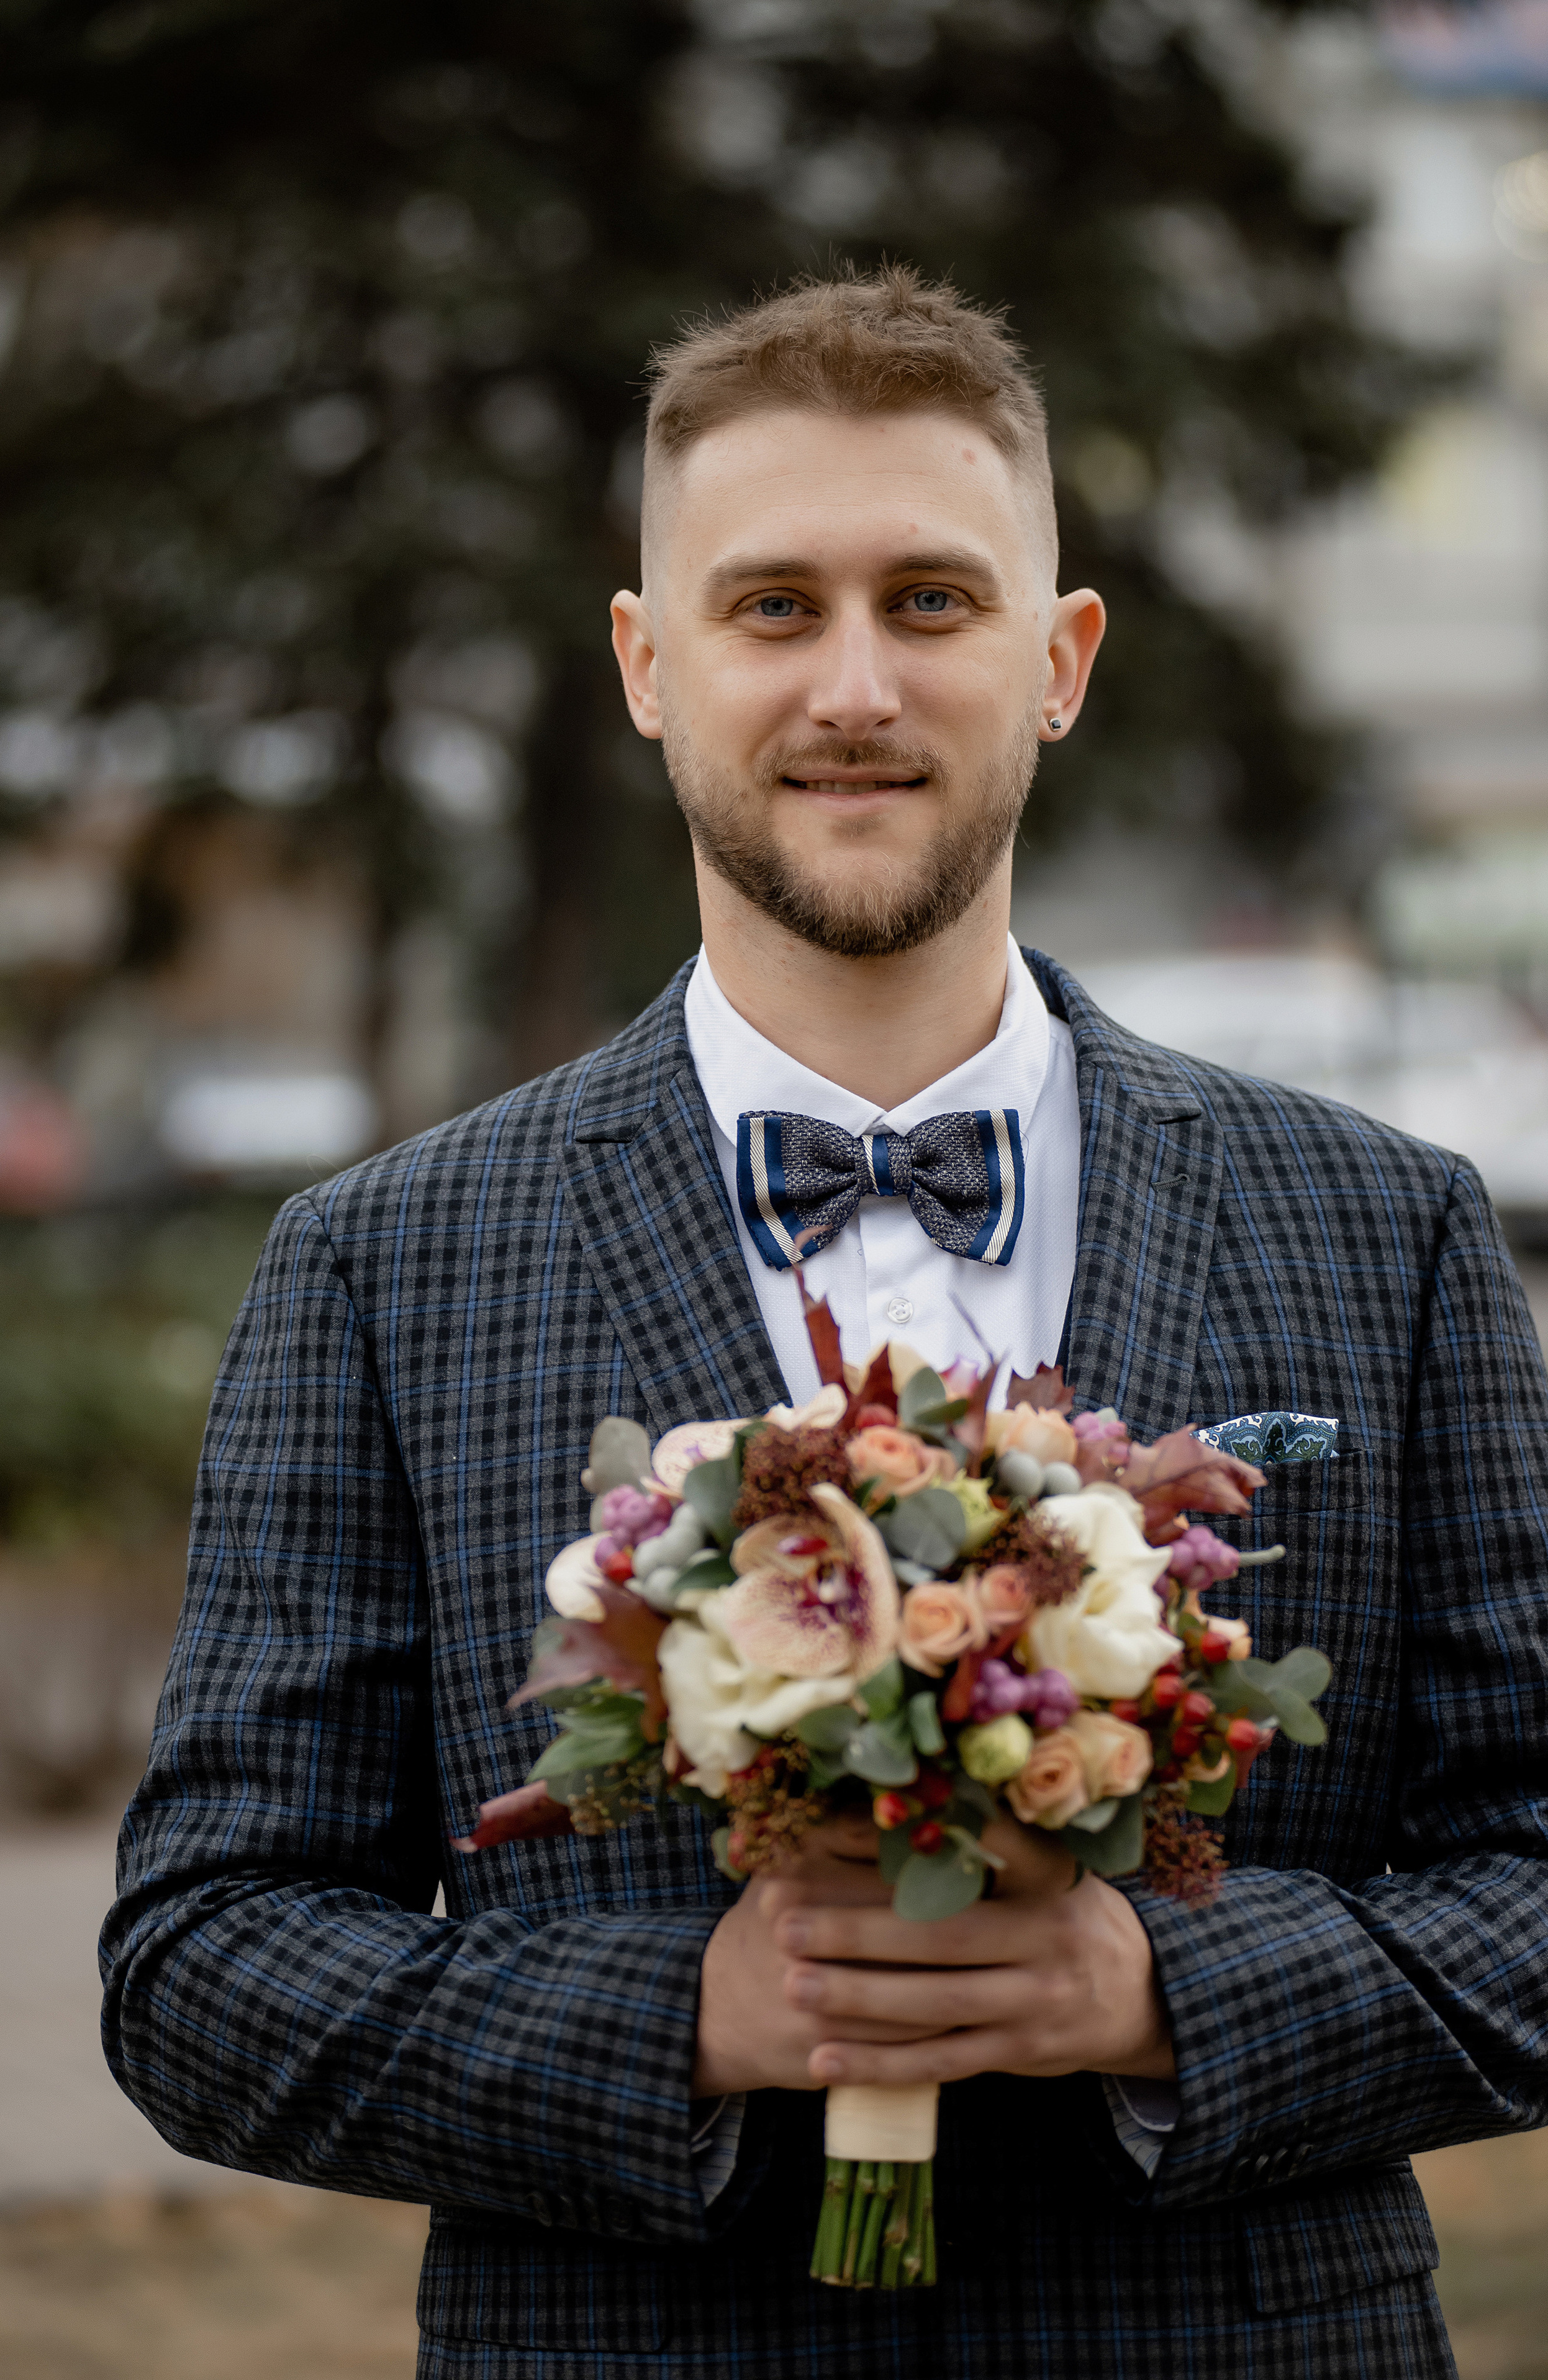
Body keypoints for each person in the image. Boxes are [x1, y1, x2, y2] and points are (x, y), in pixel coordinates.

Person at [101, 266, 1548, 2380]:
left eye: (933, 603)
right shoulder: (378, 1260)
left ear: (1059, 664)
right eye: (772, 606)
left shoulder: (1389, 1229)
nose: (853, 686)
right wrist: (685, 2020)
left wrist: (1159, 1997)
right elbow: (199, 1964)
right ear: (647, 665)